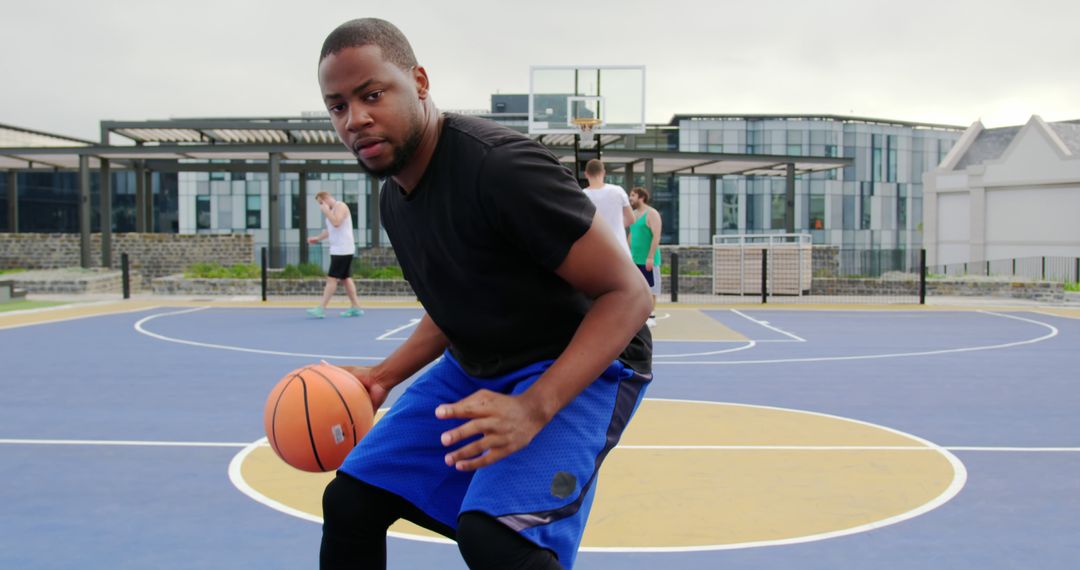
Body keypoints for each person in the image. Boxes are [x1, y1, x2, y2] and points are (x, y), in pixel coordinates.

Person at [316, 18, 653, 570]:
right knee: (351, 501)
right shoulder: (394, 199)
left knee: (497, 539)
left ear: (419, 82)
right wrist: (381, 377)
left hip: (584, 357)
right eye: (338, 106)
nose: (356, 119)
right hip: (480, 363)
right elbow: (457, 302)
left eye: (372, 94)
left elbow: (630, 293)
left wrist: (533, 407)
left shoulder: (499, 168)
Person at [306, 191, 364, 318]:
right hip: (338, 249)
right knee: (345, 279)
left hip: (343, 250)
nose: (321, 206)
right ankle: (356, 307)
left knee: (332, 278)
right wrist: (317, 238)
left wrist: (326, 211)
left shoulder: (340, 206)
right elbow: (330, 230)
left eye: (321, 202)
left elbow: (336, 222)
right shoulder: (332, 211)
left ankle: (321, 308)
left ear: (326, 198)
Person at [582, 159, 633, 258]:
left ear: (586, 174)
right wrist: (614, 224)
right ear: (603, 172)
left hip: (594, 251)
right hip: (620, 249)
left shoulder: (582, 195)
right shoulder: (618, 191)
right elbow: (631, 218)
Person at [628, 187, 662, 323]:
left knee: (651, 289)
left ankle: (651, 316)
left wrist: (650, 257)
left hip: (648, 260)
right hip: (634, 259)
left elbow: (656, 236)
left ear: (641, 197)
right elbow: (631, 235)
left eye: (633, 195)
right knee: (637, 289)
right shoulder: (633, 214)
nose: (630, 198)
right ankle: (639, 314)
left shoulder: (652, 214)